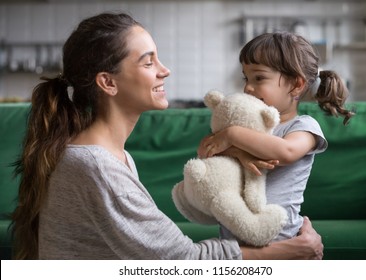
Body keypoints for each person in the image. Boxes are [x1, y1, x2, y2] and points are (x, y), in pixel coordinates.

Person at [11, 13, 323, 260]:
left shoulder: (111, 157)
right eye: (148, 62)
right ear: (108, 82)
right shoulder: (96, 165)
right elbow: (182, 262)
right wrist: (286, 251)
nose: (165, 70)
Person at [198, 32, 354, 243]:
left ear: (296, 85)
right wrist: (237, 152)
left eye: (259, 78)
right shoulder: (242, 125)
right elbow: (206, 151)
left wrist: (233, 135)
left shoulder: (304, 127)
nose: (247, 87)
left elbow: (285, 152)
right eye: (246, 78)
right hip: (232, 240)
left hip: (281, 238)